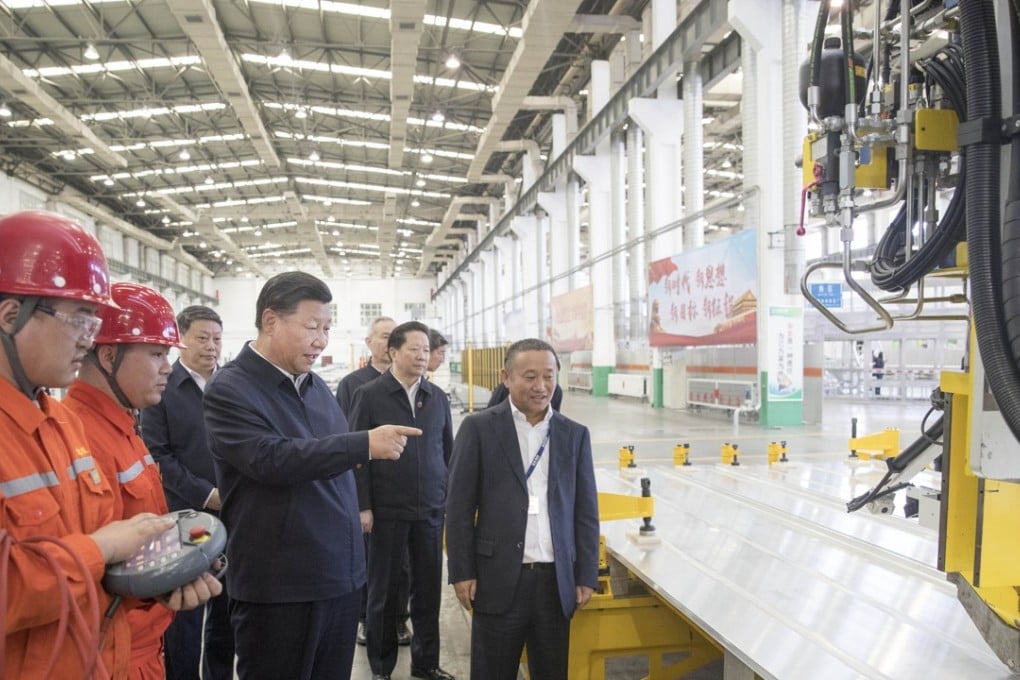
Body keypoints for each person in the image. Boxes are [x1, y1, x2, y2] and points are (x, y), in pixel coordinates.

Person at [0, 210, 220, 679]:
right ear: (10, 315)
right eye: (79, 319)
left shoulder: (59, 424)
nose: (89, 337)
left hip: (100, 655)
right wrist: (100, 549)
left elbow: (106, 568)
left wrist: (156, 580)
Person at [202, 271, 420, 680]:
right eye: (311, 326)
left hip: (337, 581)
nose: (321, 339)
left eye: (327, 328)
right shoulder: (231, 389)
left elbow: (331, 469)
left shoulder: (316, 387)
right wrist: (362, 444)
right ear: (271, 321)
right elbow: (271, 459)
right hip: (279, 590)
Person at [65, 282, 222, 679]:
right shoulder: (80, 437)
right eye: (156, 354)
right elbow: (89, 568)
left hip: (144, 641)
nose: (167, 366)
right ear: (108, 355)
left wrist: (181, 567)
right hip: (113, 652)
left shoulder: (122, 426)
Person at [445, 338, 599, 680]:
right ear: (506, 377)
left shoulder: (574, 435)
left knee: (550, 672)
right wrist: (461, 571)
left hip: (554, 581)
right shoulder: (479, 428)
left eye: (548, 376)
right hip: (496, 579)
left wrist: (585, 573)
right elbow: (457, 508)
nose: (541, 386)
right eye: (530, 376)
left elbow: (586, 512)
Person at [349, 321, 455, 680]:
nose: (423, 355)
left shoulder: (437, 398)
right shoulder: (370, 394)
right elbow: (356, 454)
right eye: (414, 349)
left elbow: (447, 452)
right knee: (383, 593)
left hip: (429, 512)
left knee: (428, 593)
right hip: (386, 512)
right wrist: (363, 505)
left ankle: (426, 666)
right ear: (393, 352)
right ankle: (381, 669)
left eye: (426, 349)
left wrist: (447, 500)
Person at [141, 305, 235, 680]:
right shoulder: (163, 386)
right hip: (186, 520)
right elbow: (158, 456)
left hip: (234, 514)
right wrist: (207, 495)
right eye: (202, 338)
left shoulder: (231, 385)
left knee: (227, 612)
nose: (211, 346)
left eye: (216, 338)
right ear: (180, 339)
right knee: (186, 614)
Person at [335, 315, 410, 646]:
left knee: (403, 564)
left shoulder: (410, 383)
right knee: (370, 561)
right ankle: (368, 619)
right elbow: (344, 442)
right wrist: (360, 502)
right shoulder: (353, 385)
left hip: (404, 493)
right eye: (382, 336)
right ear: (369, 343)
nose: (388, 342)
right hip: (370, 489)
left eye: (393, 336)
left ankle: (398, 620)